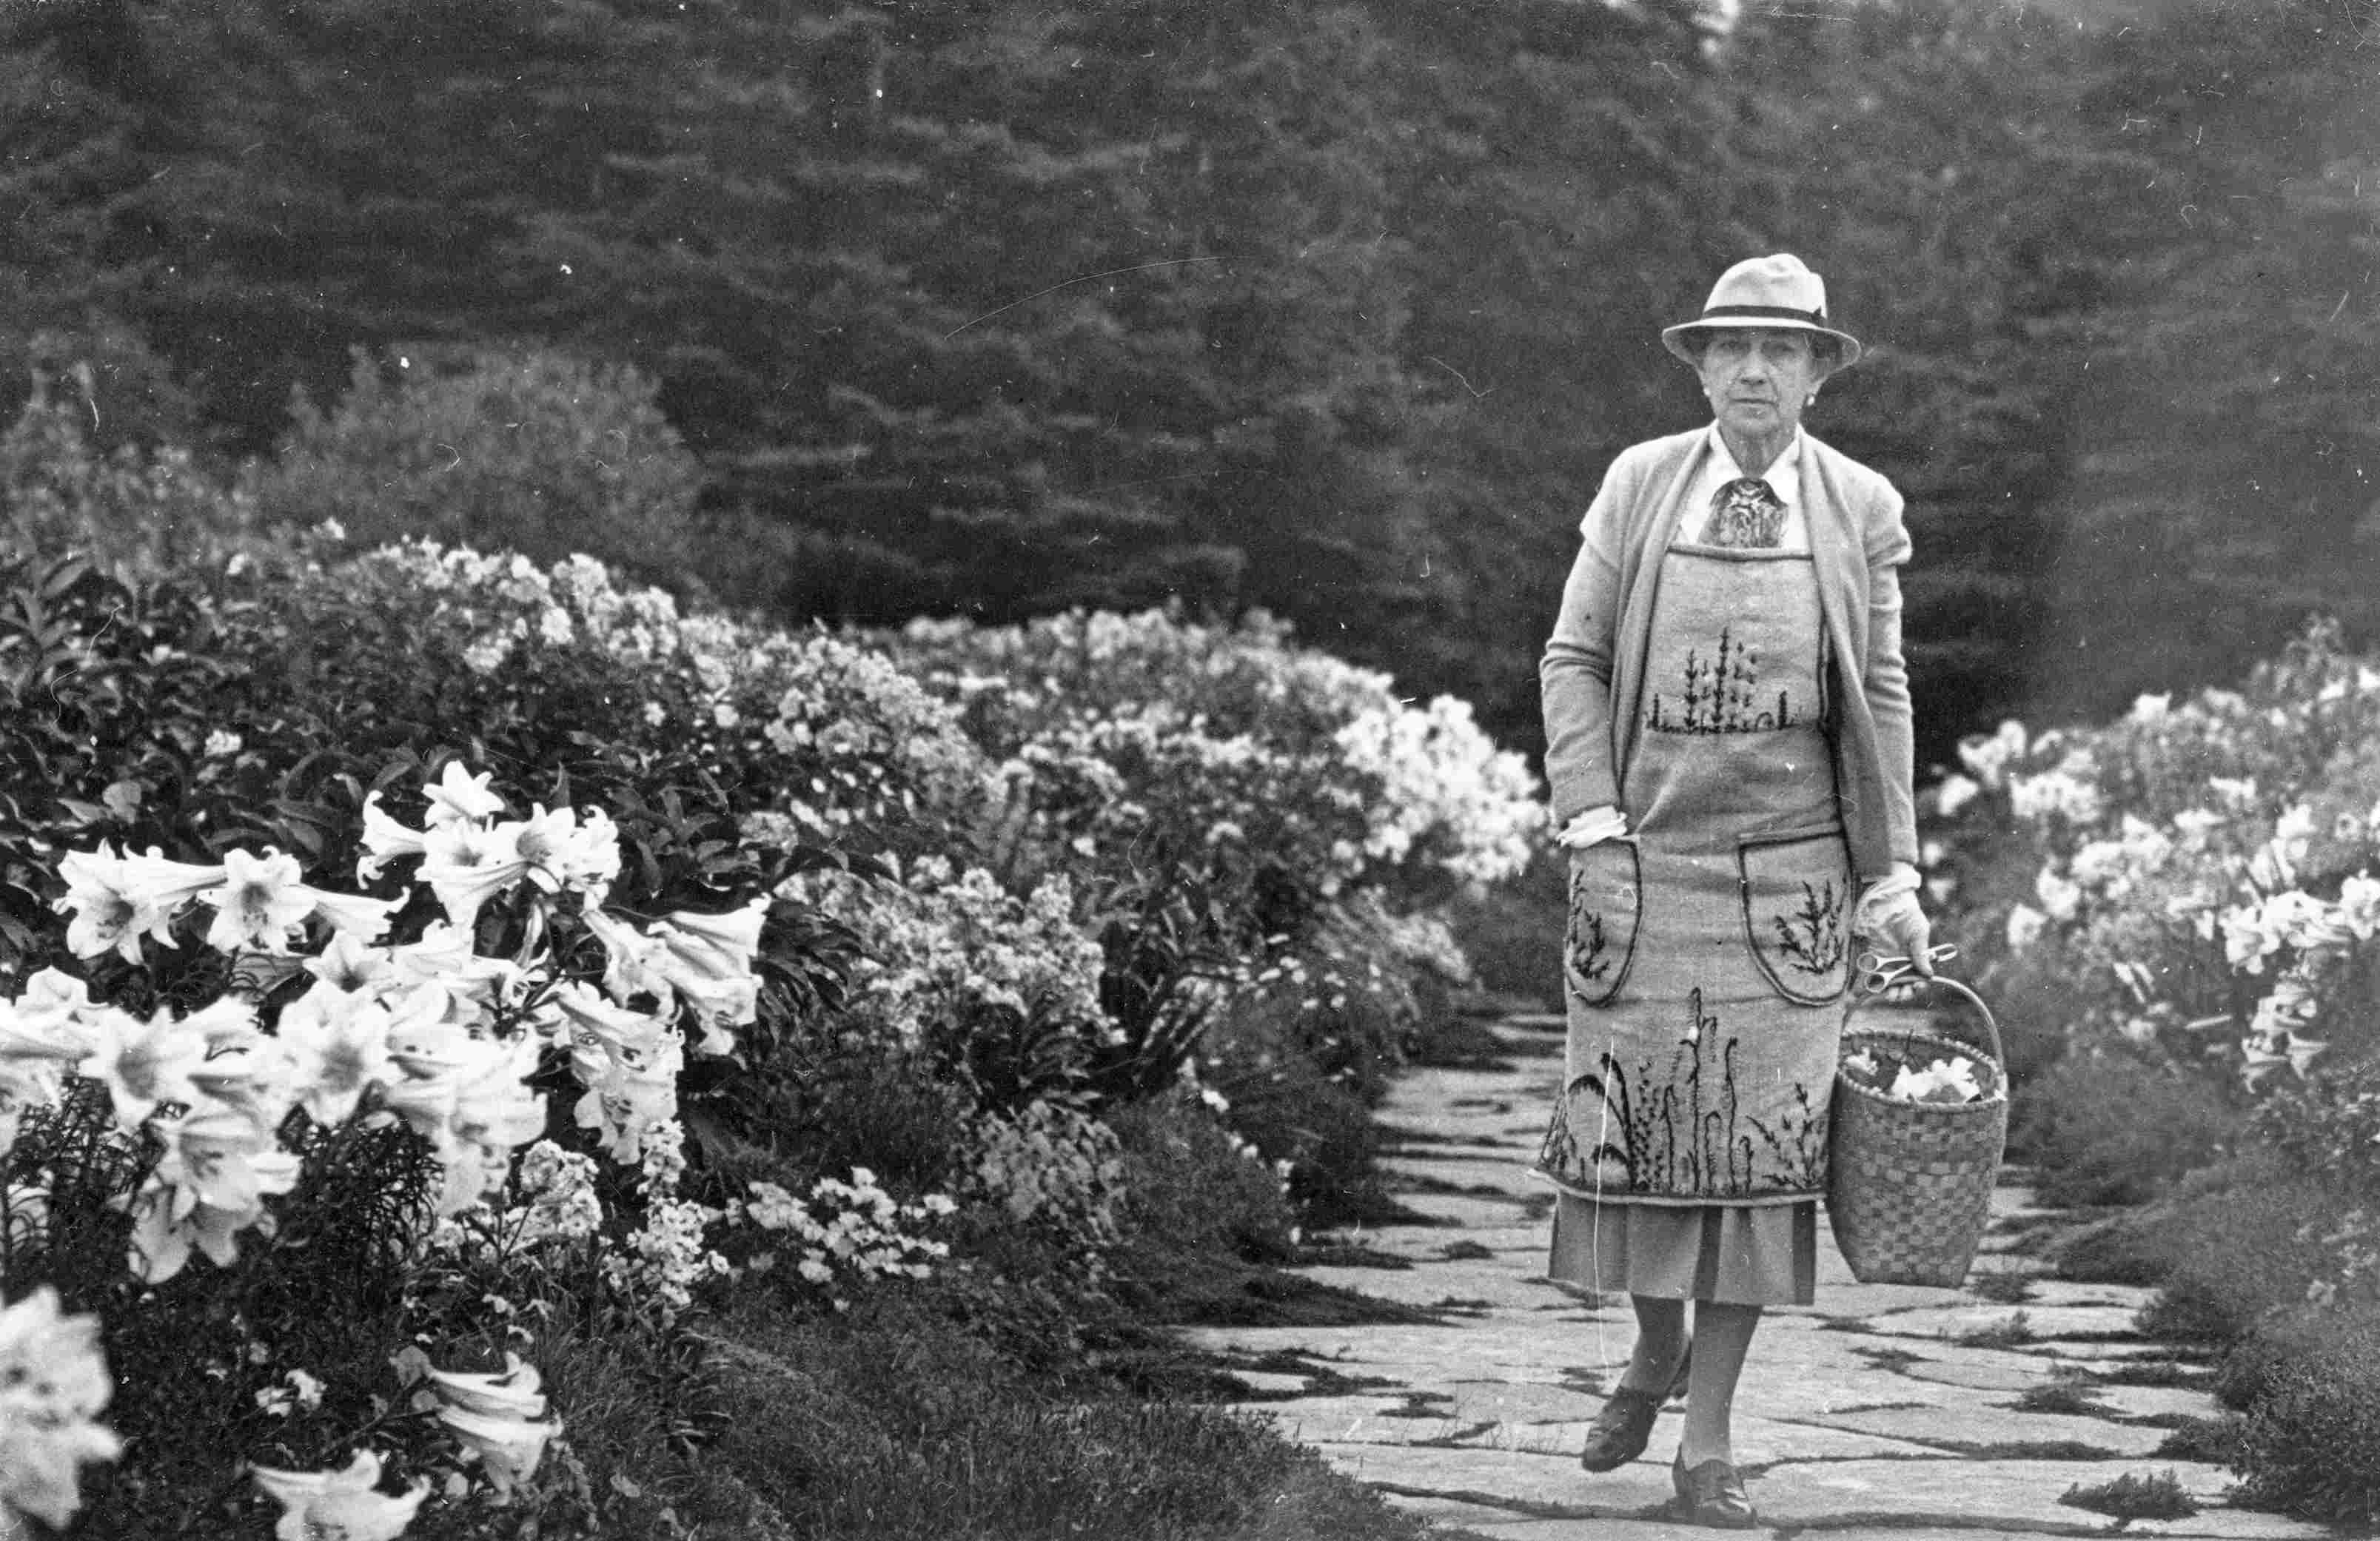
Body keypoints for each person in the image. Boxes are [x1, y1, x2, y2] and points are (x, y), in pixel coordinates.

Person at [1531, 253, 1933, 1528]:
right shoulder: (1642, 484)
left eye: (1783, 350)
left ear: (1819, 372)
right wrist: (1591, 819)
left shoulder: (1861, 503)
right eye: (1732, 348)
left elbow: (1879, 693)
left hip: (1792, 885)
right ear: (1700, 365)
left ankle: (1705, 1449)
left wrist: (1894, 872)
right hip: (1645, 864)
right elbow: (1574, 654)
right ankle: (1655, 1348)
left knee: (1760, 1170)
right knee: (1639, 1143)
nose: (1756, 370)